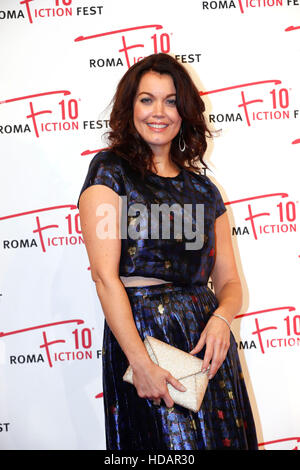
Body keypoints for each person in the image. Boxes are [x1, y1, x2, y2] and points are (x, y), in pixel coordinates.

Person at [77, 53, 258, 450]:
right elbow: (105, 277)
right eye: (147, 99)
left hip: (208, 347)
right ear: (130, 108)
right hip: (145, 338)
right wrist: (139, 363)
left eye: (171, 100)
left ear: (184, 111)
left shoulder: (206, 191)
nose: (159, 112)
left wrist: (222, 319)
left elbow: (229, 282)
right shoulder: (110, 171)